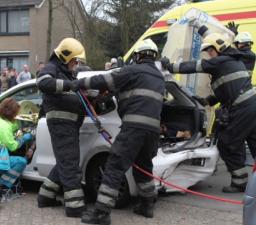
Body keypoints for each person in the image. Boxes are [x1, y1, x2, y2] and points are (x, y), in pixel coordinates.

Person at [77, 39, 164, 224]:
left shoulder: (133, 70)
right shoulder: (159, 77)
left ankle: (101, 214)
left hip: (133, 128)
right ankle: (147, 205)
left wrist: (79, 83)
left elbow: (104, 80)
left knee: (114, 167)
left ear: (138, 55)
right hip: (152, 132)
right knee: (144, 167)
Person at [161, 32, 256, 193]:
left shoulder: (219, 61)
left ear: (218, 48)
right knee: (253, 141)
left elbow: (193, 67)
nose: (209, 55)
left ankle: (240, 181)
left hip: (243, 108)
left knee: (227, 142)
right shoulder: (233, 60)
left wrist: (169, 66)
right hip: (251, 105)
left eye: (210, 51)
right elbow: (226, 90)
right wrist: (206, 101)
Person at [36, 37, 87, 218]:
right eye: (74, 60)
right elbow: (42, 82)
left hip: (68, 125)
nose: (76, 63)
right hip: (61, 125)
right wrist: (69, 85)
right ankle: (75, 207)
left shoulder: (65, 71)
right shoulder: (52, 67)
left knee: (65, 162)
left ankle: (45, 197)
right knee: (71, 164)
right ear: (65, 56)